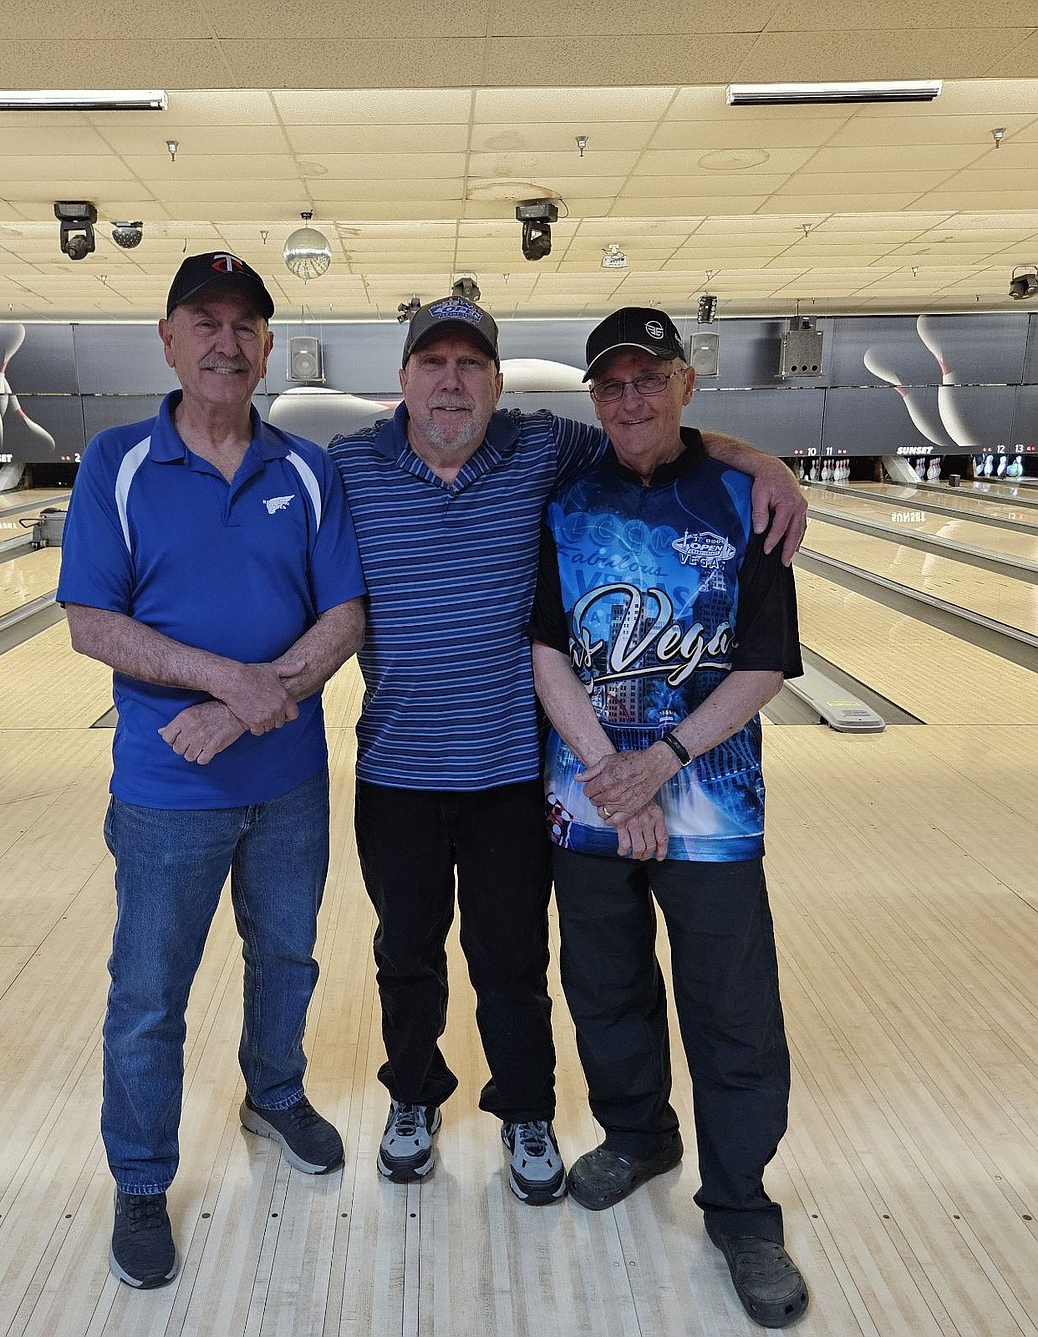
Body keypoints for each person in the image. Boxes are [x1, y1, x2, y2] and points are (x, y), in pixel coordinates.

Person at [326, 297, 807, 1208]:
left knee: (526, 964)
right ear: (403, 380)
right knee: (430, 958)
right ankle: (434, 1102)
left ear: (498, 383)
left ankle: (563, 1126)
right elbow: (538, 637)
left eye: (472, 365)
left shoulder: (546, 449)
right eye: (434, 363)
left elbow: (672, 454)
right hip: (432, 774)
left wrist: (766, 460)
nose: (452, 381)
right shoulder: (355, 464)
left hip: (541, 776)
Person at [57, 252, 366, 1290]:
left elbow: (345, 616)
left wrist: (243, 706)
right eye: (206, 321)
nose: (227, 342)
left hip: (287, 786)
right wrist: (227, 680)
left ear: (268, 346)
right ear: (169, 336)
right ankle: (141, 1180)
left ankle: (274, 1092)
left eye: (246, 325)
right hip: (164, 794)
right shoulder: (118, 462)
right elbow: (91, 621)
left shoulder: (307, 468)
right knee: (148, 995)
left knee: (289, 959)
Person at [527, 306, 808, 1327]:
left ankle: (741, 1206)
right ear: (595, 397)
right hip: (589, 792)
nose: (631, 399)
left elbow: (766, 660)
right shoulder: (566, 497)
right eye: (612, 384)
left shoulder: (745, 497)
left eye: (649, 379)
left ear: (686, 383)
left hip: (711, 802)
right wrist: (613, 771)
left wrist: (662, 764)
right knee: (602, 984)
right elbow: (547, 647)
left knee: (730, 1007)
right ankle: (638, 1131)